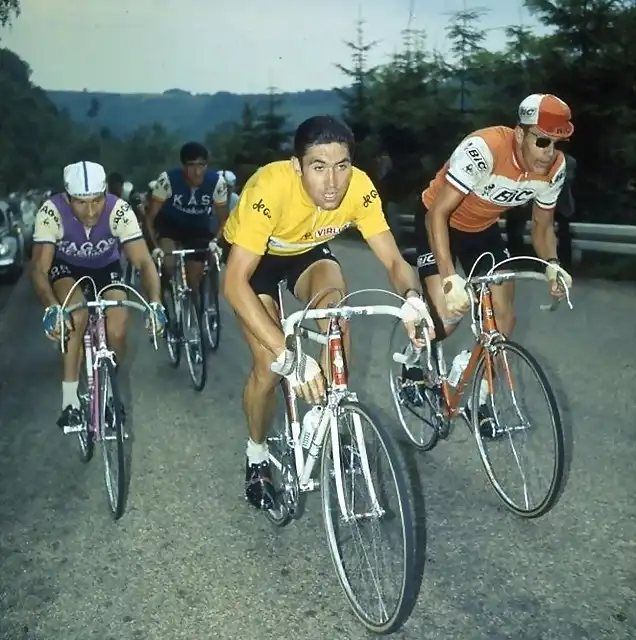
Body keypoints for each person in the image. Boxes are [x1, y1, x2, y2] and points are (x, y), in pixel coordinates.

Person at [221, 115, 435, 511]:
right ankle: (256, 454)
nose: (333, 182)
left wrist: (412, 298)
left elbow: (393, 259)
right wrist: (291, 358)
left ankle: (331, 420)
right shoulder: (270, 189)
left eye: (342, 166)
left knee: (336, 313)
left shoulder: (360, 188)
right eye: (319, 167)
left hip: (307, 252)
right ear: (297, 166)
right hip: (256, 260)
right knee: (269, 367)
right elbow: (234, 283)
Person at [409, 93, 575, 435]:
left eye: (557, 144)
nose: (549, 152)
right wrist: (450, 278)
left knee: (503, 319)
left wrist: (552, 264)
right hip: (437, 222)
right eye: (542, 141)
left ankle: (480, 398)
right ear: (519, 134)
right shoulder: (483, 149)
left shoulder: (554, 168)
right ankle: (412, 360)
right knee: (447, 318)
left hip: (481, 231)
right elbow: (439, 213)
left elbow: (542, 225)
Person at [30, 161, 166, 430]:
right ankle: (70, 402)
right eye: (81, 203)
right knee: (75, 314)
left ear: (106, 193)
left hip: (106, 267)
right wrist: (51, 307)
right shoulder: (51, 212)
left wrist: (155, 302)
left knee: (118, 325)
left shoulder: (119, 210)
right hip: (65, 267)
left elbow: (143, 262)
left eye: (96, 201)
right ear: (67, 198)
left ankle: (108, 387)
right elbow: (38, 268)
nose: (91, 211)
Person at [145, 142, 228, 295]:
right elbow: (150, 218)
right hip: (170, 226)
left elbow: (224, 220)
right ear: (183, 167)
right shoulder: (167, 180)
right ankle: (161, 297)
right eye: (192, 166)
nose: (197, 172)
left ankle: (195, 308)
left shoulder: (217, 182)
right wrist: (155, 247)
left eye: (202, 165)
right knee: (167, 265)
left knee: (193, 279)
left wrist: (216, 241)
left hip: (198, 229)